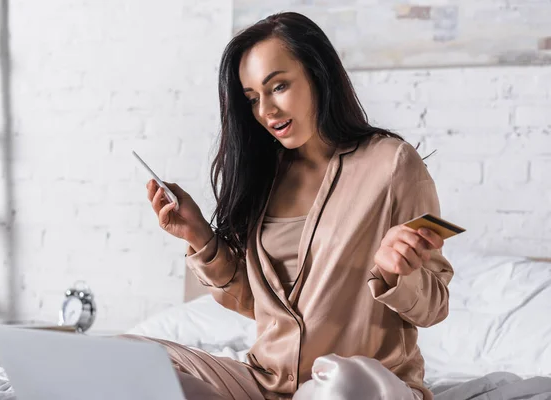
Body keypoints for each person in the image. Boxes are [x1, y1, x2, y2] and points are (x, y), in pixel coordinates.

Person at [126, 11, 453, 400]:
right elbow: (256, 303)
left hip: (363, 383)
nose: (266, 111)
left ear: (318, 74)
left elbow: (434, 307)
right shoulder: (265, 175)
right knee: (130, 355)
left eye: (278, 86)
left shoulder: (392, 164)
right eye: (252, 99)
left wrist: (394, 273)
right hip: (267, 383)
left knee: (346, 384)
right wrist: (200, 237)